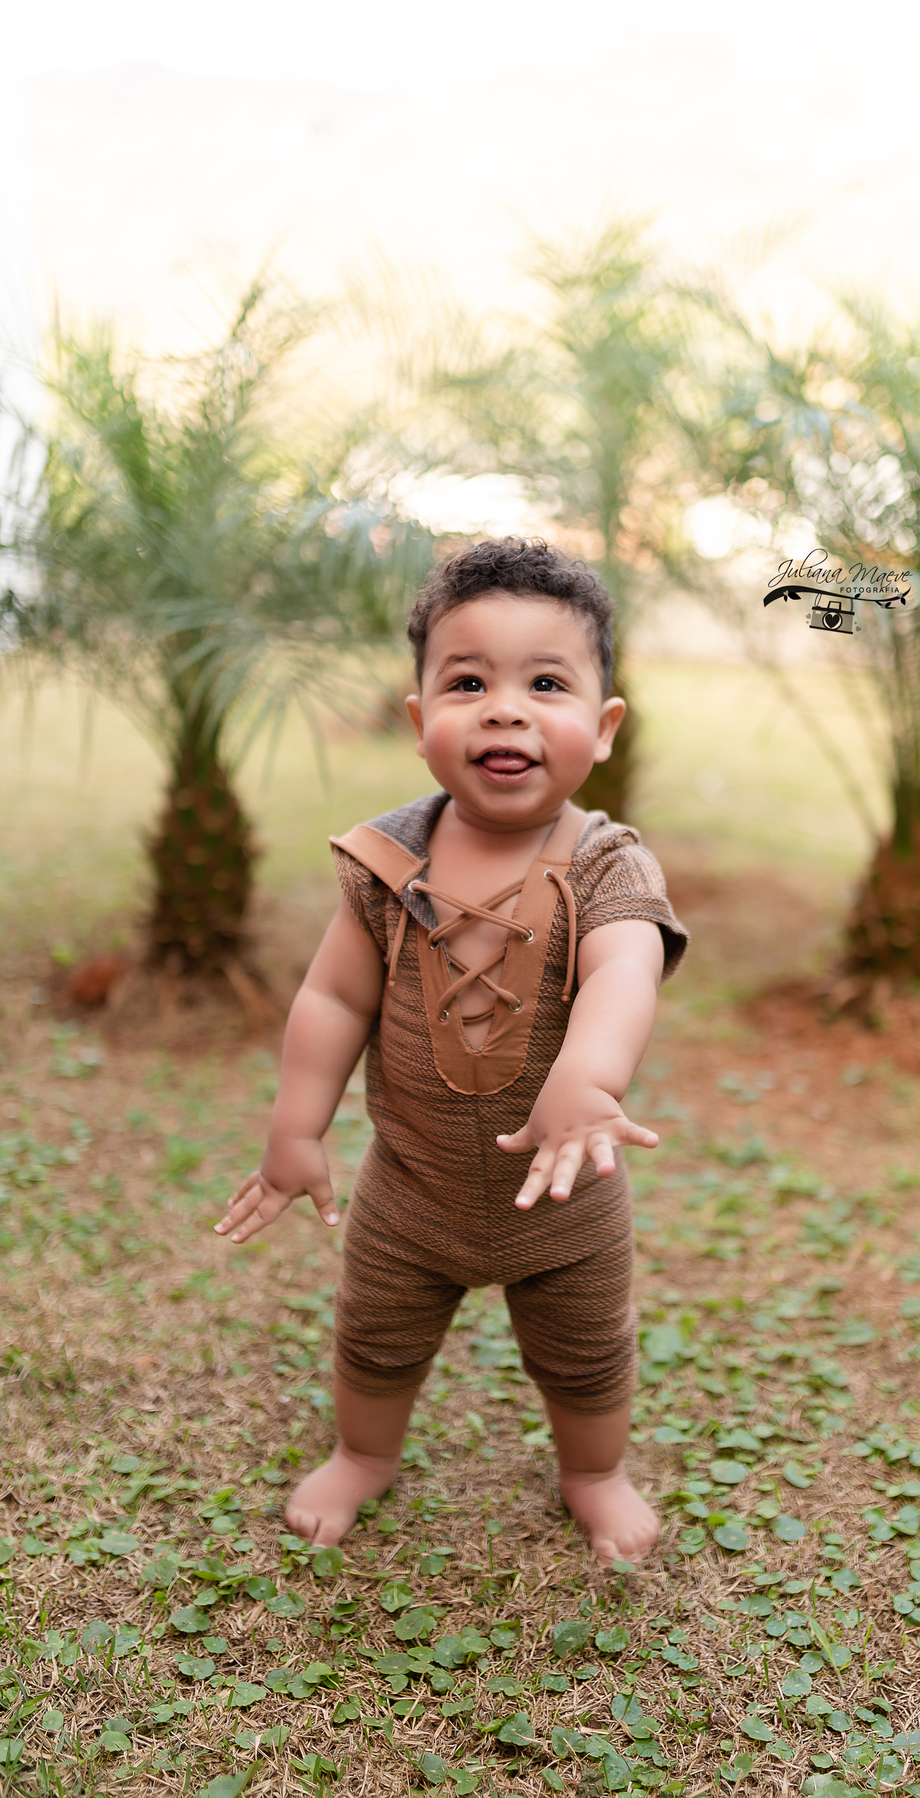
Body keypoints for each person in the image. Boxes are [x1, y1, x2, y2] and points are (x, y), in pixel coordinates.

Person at [216, 538, 687, 1564]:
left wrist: (589, 1076)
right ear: (418, 717)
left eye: (546, 684)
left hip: (565, 1199)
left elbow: (627, 966)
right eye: (468, 683)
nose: (505, 710)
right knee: (375, 1337)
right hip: (411, 1188)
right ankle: (363, 1454)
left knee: (587, 1354)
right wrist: (296, 1129)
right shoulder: (385, 864)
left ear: (604, 727)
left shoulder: (606, 863)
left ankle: (594, 1473)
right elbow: (334, 996)